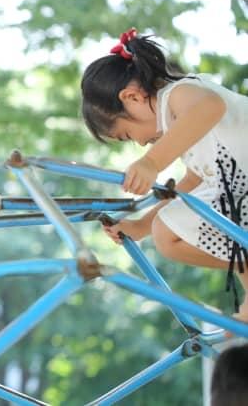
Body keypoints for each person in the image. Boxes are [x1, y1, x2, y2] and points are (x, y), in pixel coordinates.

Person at [80, 28, 248, 318]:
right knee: (167, 237)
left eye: (128, 135)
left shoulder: (178, 94)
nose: (141, 143)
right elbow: (193, 181)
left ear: (131, 97)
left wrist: (152, 162)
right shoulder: (181, 128)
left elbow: (211, 106)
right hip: (239, 193)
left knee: (171, 229)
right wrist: (142, 225)